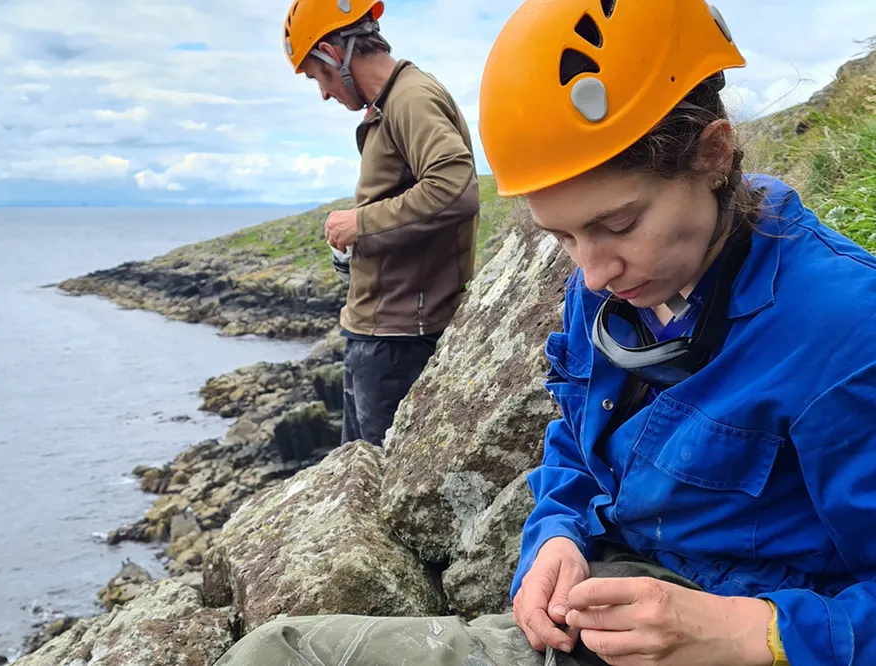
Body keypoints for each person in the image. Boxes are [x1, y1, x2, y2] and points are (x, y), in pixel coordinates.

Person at [215, 0, 876, 664]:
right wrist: (557, 537)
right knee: (276, 652)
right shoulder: (612, 289)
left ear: (712, 154)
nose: (591, 274)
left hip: (744, 634)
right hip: (607, 609)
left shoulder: (845, 331)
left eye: (617, 226)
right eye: (562, 236)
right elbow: (575, 451)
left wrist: (754, 634)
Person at [282, 0, 481, 448]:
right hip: (377, 332)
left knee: (379, 485)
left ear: (335, 54)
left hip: (398, 341)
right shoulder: (389, 103)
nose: (324, 93)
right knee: (358, 474)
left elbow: (455, 187)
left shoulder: (411, 97)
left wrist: (361, 224)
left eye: (319, 76)